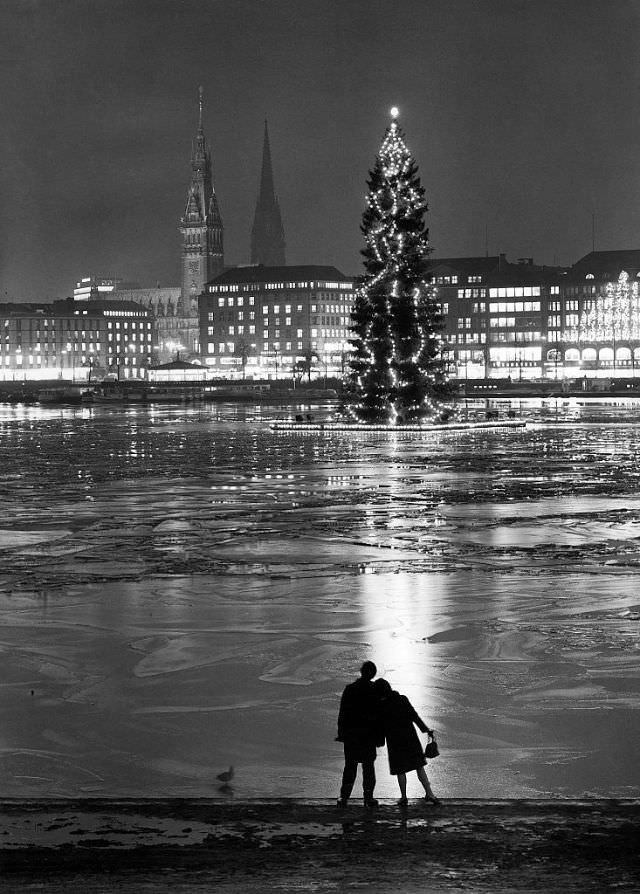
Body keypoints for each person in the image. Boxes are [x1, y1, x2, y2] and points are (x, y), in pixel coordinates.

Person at [374, 678, 441, 806]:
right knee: (419, 767)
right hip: (410, 739)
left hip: (394, 742)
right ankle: (430, 794)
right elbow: (414, 717)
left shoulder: (382, 706)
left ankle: (404, 797)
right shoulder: (402, 699)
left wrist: (380, 741)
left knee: (400, 770)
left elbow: (381, 726)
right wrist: (426, 730)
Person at [336, 661, 382, 808]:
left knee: (350, 766)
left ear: (361, 672)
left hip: (352, 736)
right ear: (373, 673)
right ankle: (368, 798)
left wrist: (342, 734)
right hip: (368, 736)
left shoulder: (350, 689)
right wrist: (380, 737)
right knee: (368, 767)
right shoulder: (375, 690)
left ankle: (344, 797)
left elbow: (342, 714)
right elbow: (379, 716)